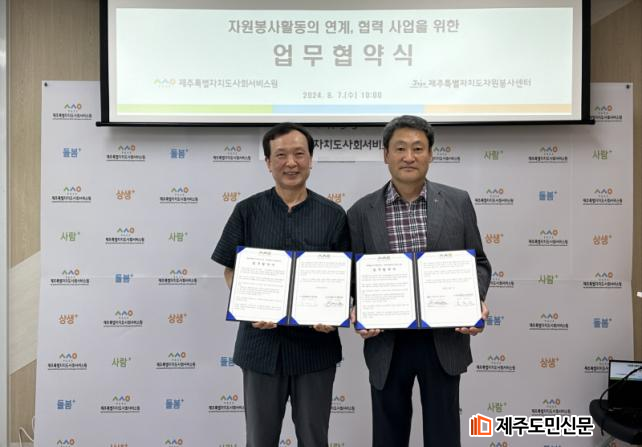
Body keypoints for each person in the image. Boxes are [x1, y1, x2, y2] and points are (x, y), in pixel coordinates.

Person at [347, 115, 491, 447]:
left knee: (443, 436)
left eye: (417, 148)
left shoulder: (458, 202)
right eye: (400, 148)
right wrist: (356, 307)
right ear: (386, 155)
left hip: (443, 339)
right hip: (387, 341)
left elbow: (479, 263)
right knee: (388, 436)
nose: (408, 157)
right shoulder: (361, 212)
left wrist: (475, 300)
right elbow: (354, 275)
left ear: (430, 154)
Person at [211, 123, 350, 447]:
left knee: (314, 439)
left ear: (311, 159)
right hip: (260, 348)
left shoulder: (333, 215)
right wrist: (250, 304)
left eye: (299, 154)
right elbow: (230, 269)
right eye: (281, 155)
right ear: (268, 162)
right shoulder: (247, 211)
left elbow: (346, 277)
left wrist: (334, 313)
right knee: (260, 440)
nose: (291, 163)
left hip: (315, 350)